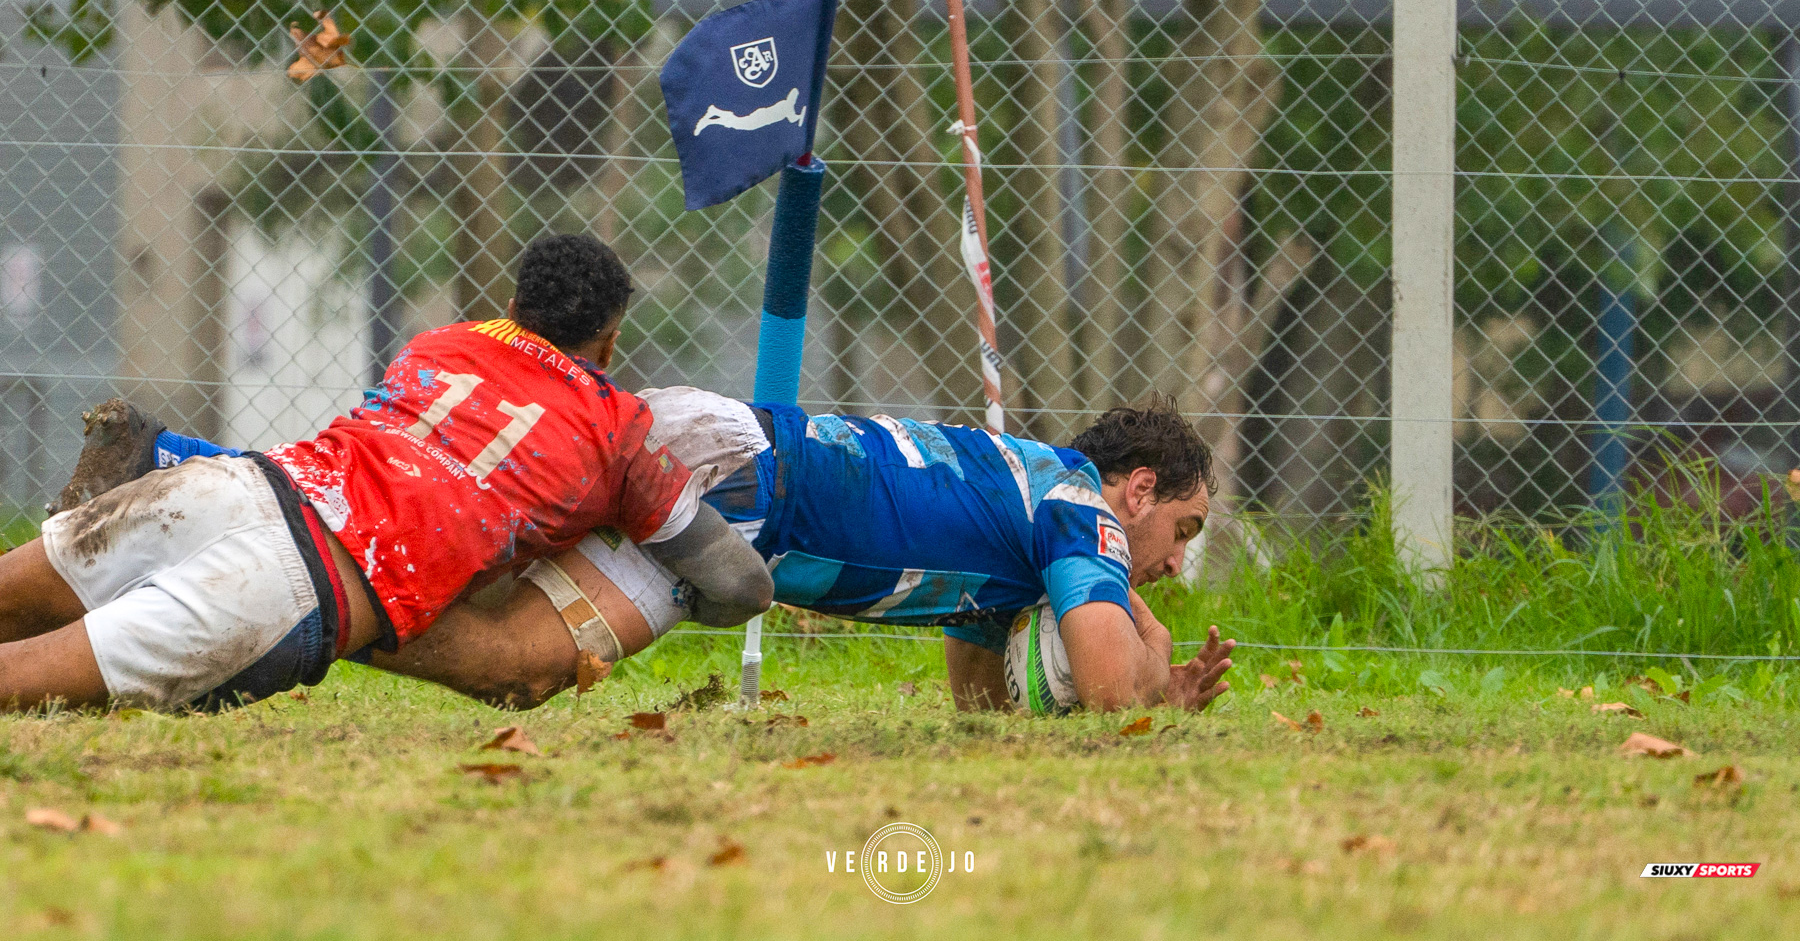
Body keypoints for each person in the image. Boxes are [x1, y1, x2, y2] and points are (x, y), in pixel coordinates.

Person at [0, 234, 770, 712]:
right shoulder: (620, 432)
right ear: (608, 343)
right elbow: (740, 584)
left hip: (234, 487)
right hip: (291, 586)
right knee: (19, 680)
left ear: (512, 304)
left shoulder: (442, 343)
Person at [120, 387, 1232, 714]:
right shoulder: (1081, 507)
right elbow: (1101, 687)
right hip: (732, 485)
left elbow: (985, 707)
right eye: (1181, 530)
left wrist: (1089, 664)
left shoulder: (1022, 521)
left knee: (440, 535)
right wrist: (1150, 657)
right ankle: (281, 617)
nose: (1176, 558)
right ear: (1139, 490)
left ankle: (169, 465)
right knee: (522, 657)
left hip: (719, 451)